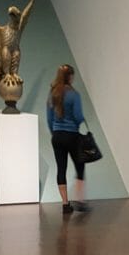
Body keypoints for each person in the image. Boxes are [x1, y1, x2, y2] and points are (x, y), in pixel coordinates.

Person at [46, 63, 90, 214]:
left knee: (61, 169)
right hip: (72, 136)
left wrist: (55, 132)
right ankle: (80, 201)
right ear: (70, 76)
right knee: (80, 166)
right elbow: (78, 116)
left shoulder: (52, 94)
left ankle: (65, 204)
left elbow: (49, 118)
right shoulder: (74, 94)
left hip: (57, 136)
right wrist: (78, 122)